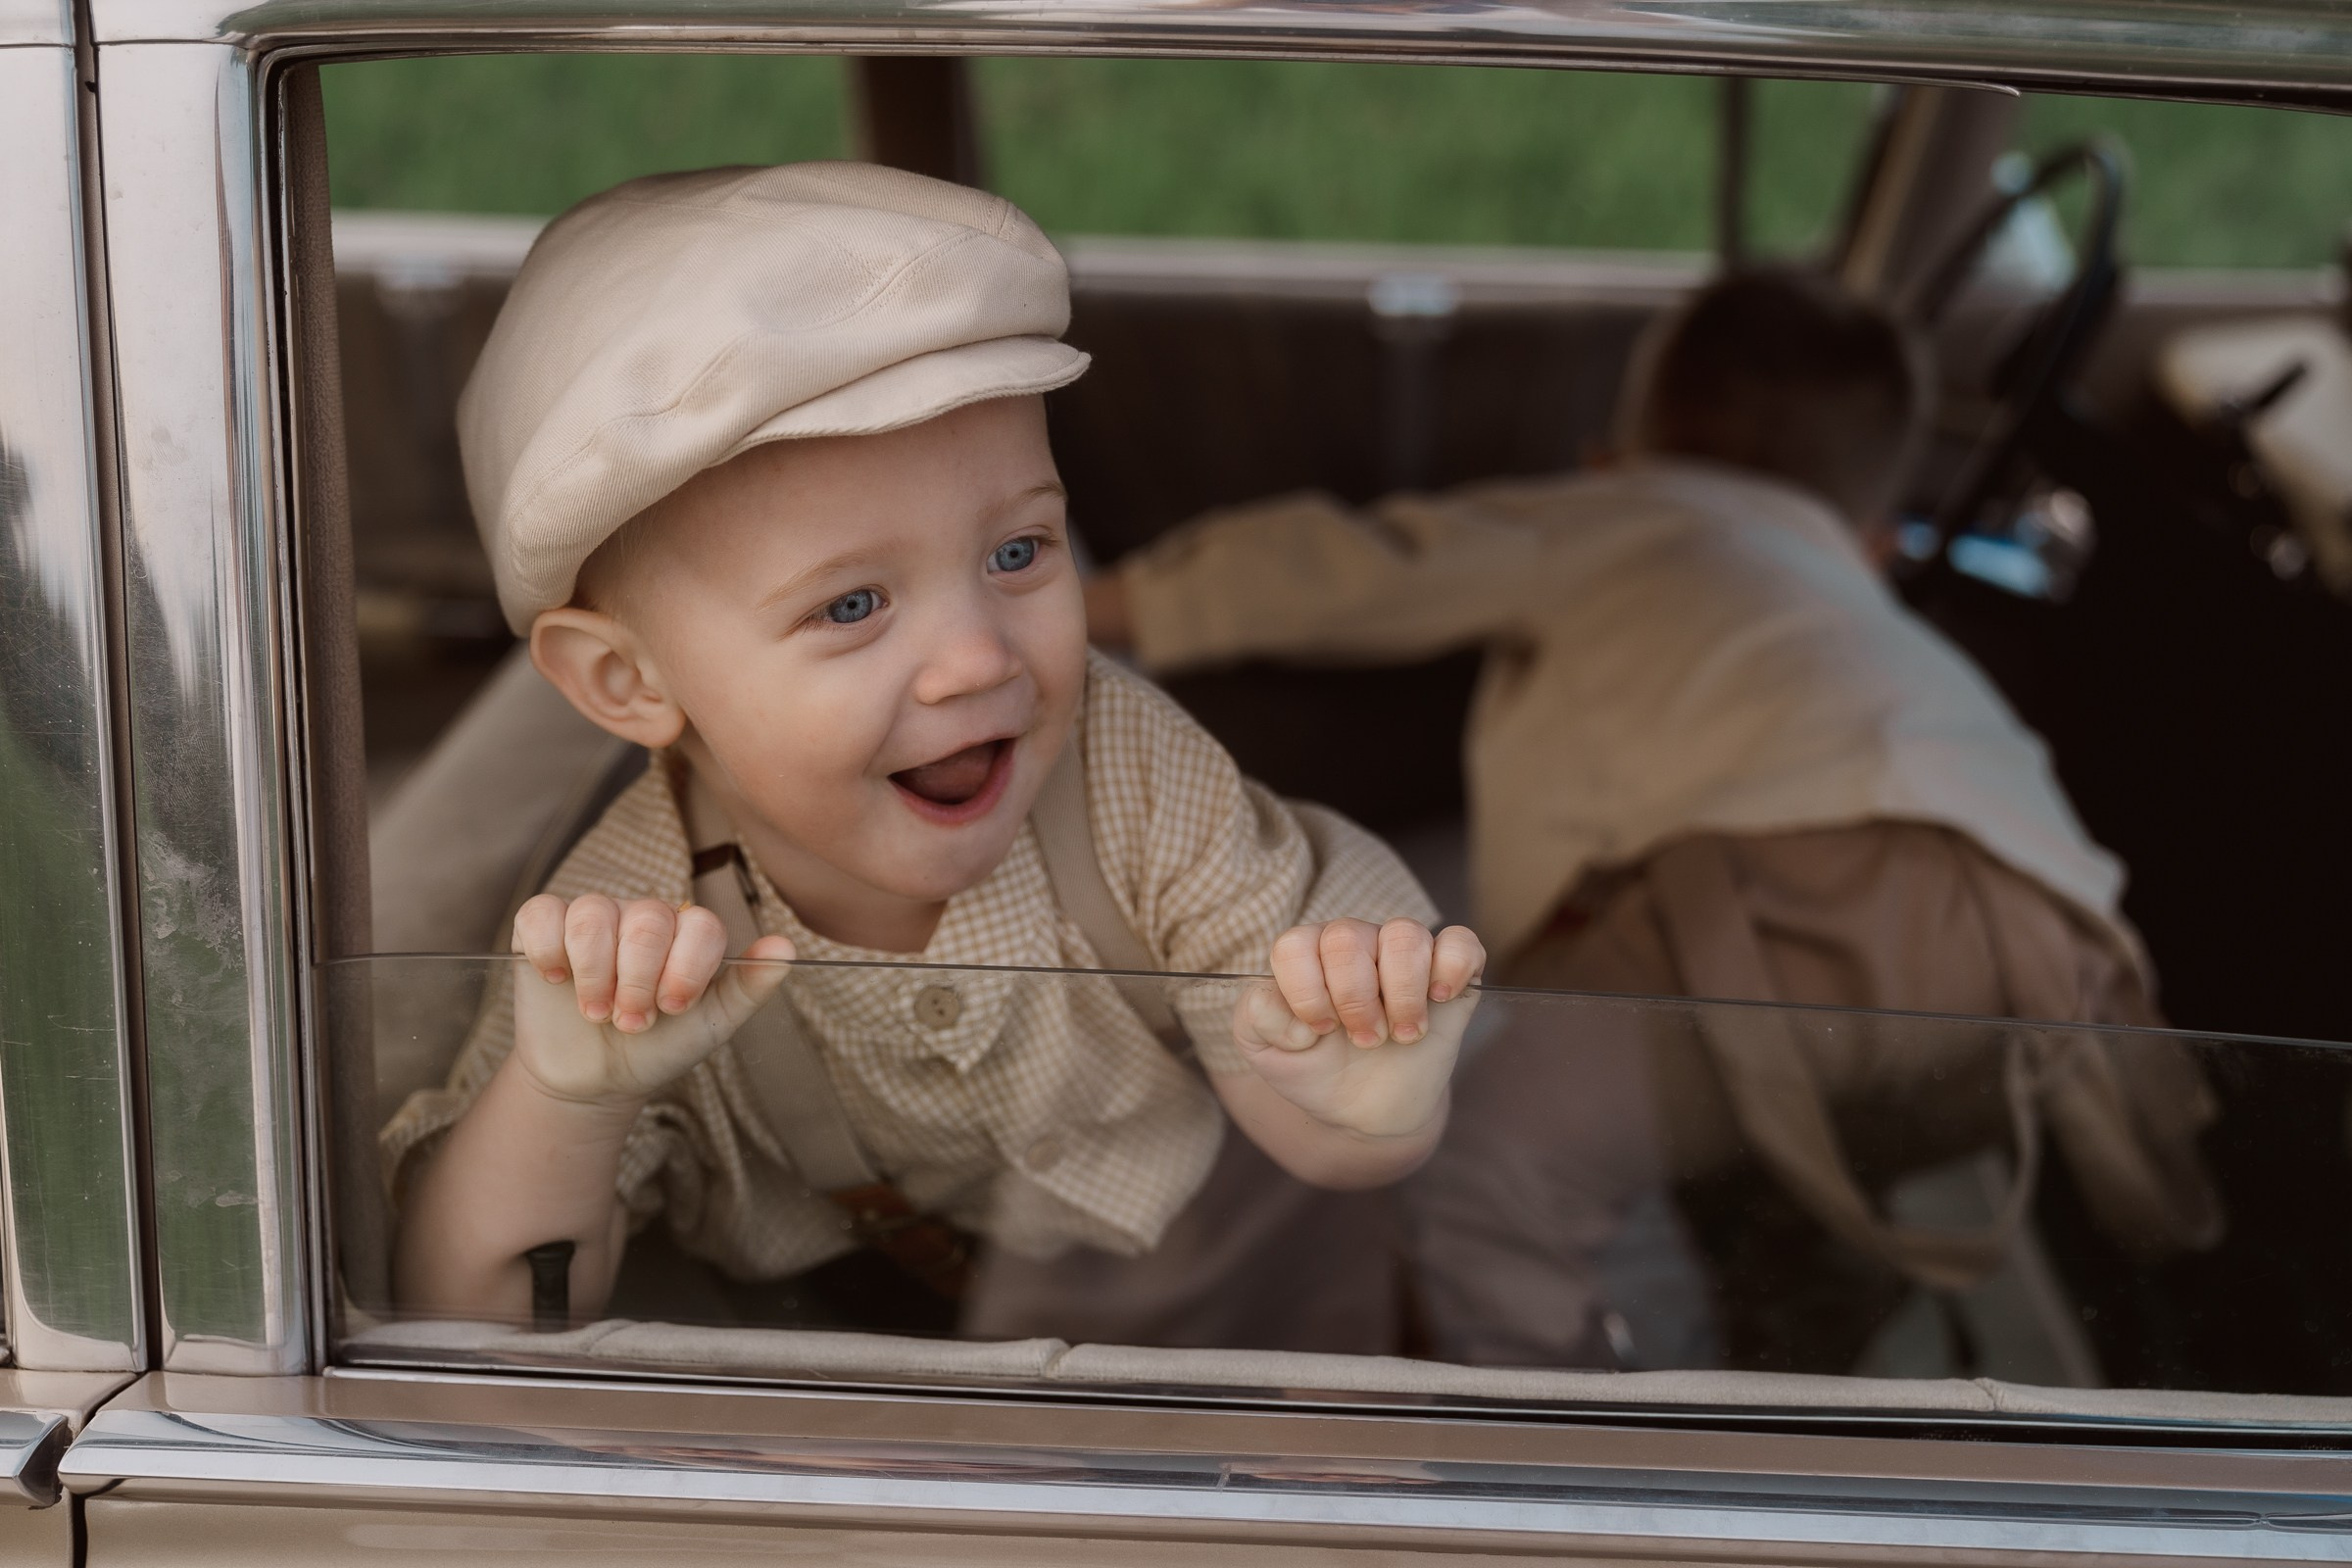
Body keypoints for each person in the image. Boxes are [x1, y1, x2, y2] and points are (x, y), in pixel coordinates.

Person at [384, 162, 1485, 1351]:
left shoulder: (1129, 774)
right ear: (628, 681)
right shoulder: (625, 941)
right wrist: (567, 1099)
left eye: (1018, 553)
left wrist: (1361, 1099)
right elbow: (482, 1313)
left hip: (1197, 1334)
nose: (975, 659)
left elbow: (1318, 1119)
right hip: (817, 1394)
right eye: (852, 605)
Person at [1089, 268, 2220, 1368]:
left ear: (1610, 457)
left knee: (1487, 1159)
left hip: (1773, 895)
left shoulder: (1618, 512)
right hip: (2054, 944)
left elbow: (1350, 569)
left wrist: (1113, 604)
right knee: (1812, 1166)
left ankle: (1604, 1487)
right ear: (1877, 540)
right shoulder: (1867, 606)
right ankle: (1844, 1356)